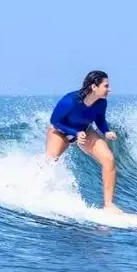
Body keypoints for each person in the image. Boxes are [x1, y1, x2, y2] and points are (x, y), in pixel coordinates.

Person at [46, 70, 120, 212]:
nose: (109, 90)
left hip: (85, 131)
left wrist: (106, 131)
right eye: (106, 86)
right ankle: (34, 189)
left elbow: (100, 119)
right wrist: (74, 132)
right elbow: (55, 120)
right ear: (94, 87)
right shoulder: (70, 100)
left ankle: (109, 205)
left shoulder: (101, 103)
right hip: (60, 131)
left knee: (108, 159)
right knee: (50, 161)